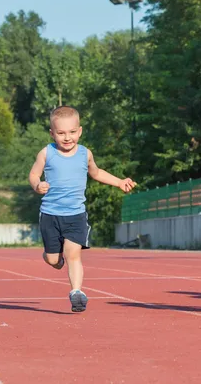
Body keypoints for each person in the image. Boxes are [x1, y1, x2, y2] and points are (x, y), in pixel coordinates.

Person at [28, 106, 136, 312]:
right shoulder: (46, 153)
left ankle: (77, 292)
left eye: (71, 132)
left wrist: (119, 182)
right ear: (52, 133)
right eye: (61, 133)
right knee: (54, 259)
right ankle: (51, 256)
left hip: (76, 214)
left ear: (79, 131)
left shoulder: (85, 154)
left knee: (73, 255)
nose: (67, 138)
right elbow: (33, 174)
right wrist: (37, 185)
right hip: (50, 214)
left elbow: (97, 173)